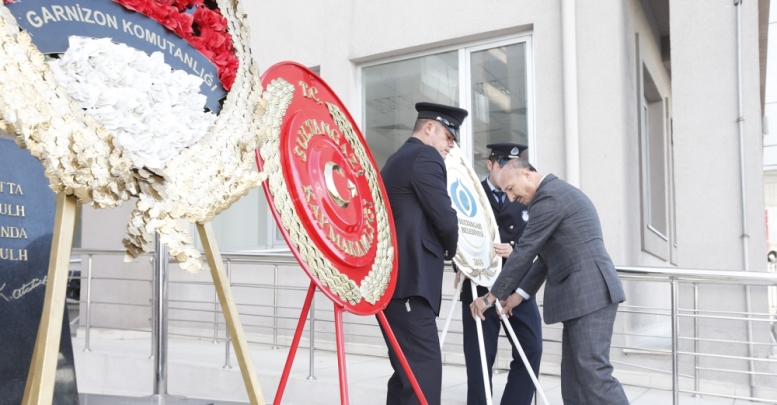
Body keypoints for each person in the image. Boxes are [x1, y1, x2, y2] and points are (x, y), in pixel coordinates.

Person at [470, 159, 628, 405]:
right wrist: (517, 295)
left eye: (511, 188)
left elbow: (524, 252)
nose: (510, 198)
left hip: (590, 293)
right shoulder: (553, 196)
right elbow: (544, 258)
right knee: (574, 380)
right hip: (582, 297)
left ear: (527, 174)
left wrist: (491, 297)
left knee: (594, 376)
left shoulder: (549, 198)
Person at [379, 101, 466, 405]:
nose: (450, 148)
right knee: (423, 384)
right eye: (449, 138)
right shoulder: (424, 155)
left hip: (397, 287)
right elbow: (444, 217)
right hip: (410, 287)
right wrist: (458, 254)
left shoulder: (397, 159)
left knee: (407, 379)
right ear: (429, 128)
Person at [456, 143, 542, 405]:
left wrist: (514, 250)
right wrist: (460, 260)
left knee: (531, 349)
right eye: (502, 164)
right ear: (490, 164)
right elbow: (456, 232)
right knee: (480, 356)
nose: (508, 171)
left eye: (512, 165)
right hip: (480, 286)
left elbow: (536, 237)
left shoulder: (527, 194)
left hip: (517, 287)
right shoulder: (470, 192)